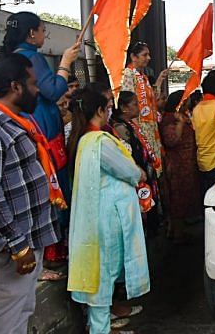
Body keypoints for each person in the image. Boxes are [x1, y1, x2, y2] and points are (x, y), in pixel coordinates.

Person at [0, 54, 60, 332]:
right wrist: (16, 244)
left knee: (18, 317)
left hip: (21, 245)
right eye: (33, 84)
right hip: (5, 252)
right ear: (16, 86)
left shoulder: (12, 122)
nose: (38, 90)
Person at [66, 88, 150, 334]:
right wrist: (140, 173)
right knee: (103, 274)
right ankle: (100, 329)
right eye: (108, 108)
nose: (110, 112)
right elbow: (128, 170)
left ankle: (101, 327)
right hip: (106, 220)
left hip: (97, 218)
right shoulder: (99, 142)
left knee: (101, 274)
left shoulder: (83, 139)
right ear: (100, 111)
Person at [3, 12, 80, 269]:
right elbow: (53, 90)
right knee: (53, 191)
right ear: (30, 34)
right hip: (43, 136)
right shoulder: (31, 57)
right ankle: (49, 253)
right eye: (42, 30)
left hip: (31, 132)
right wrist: (66, 62)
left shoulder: (13, 57)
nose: (43, 35)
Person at [111, 91, 161, 237]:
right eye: (135, 104)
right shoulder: (120, 128)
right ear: (124, 108)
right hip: (136, 177)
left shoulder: (130, 124)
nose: (139, 107)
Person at [120, 42, 167, 177]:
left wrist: (159, 81)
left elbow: (152, 100)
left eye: (149, 55)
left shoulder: (143, 77)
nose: (149, 58)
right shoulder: (128, 74)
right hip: (140, 128)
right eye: (144, 55)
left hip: (150, 128)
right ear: (133, 57)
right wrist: (135, 129)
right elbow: (127, 102)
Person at [160, 90, 200, 244]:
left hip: (185, 164)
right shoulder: (171, 120)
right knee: (177, 198)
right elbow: (172, 141)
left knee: (183, 197)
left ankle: (177, 231)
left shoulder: (181, 117)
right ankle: (177, 235)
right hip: (177, 165)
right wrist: (181, 124)